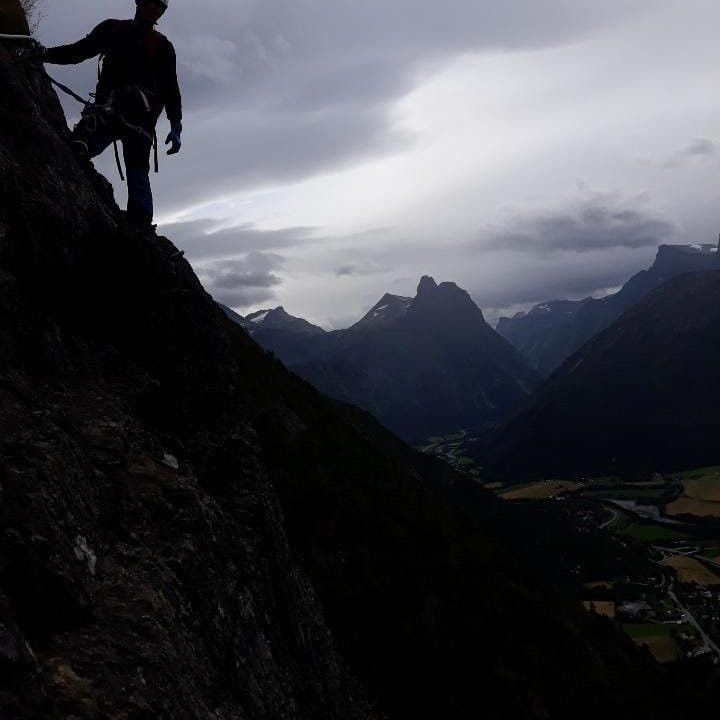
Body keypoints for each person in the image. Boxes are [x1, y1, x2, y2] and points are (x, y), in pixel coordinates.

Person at [41, 0, 182, 231]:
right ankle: (140, 232)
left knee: (137, 177)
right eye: (151, 2)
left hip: (135, 122)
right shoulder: (112, 29)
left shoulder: (161, 46)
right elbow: (78, 52)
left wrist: (176, 124)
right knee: (76, 150)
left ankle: (141, 233)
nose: (153, 8)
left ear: (162, 11)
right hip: (114, 115)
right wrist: (45, 54)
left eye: (159, 6)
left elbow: (170, 89)